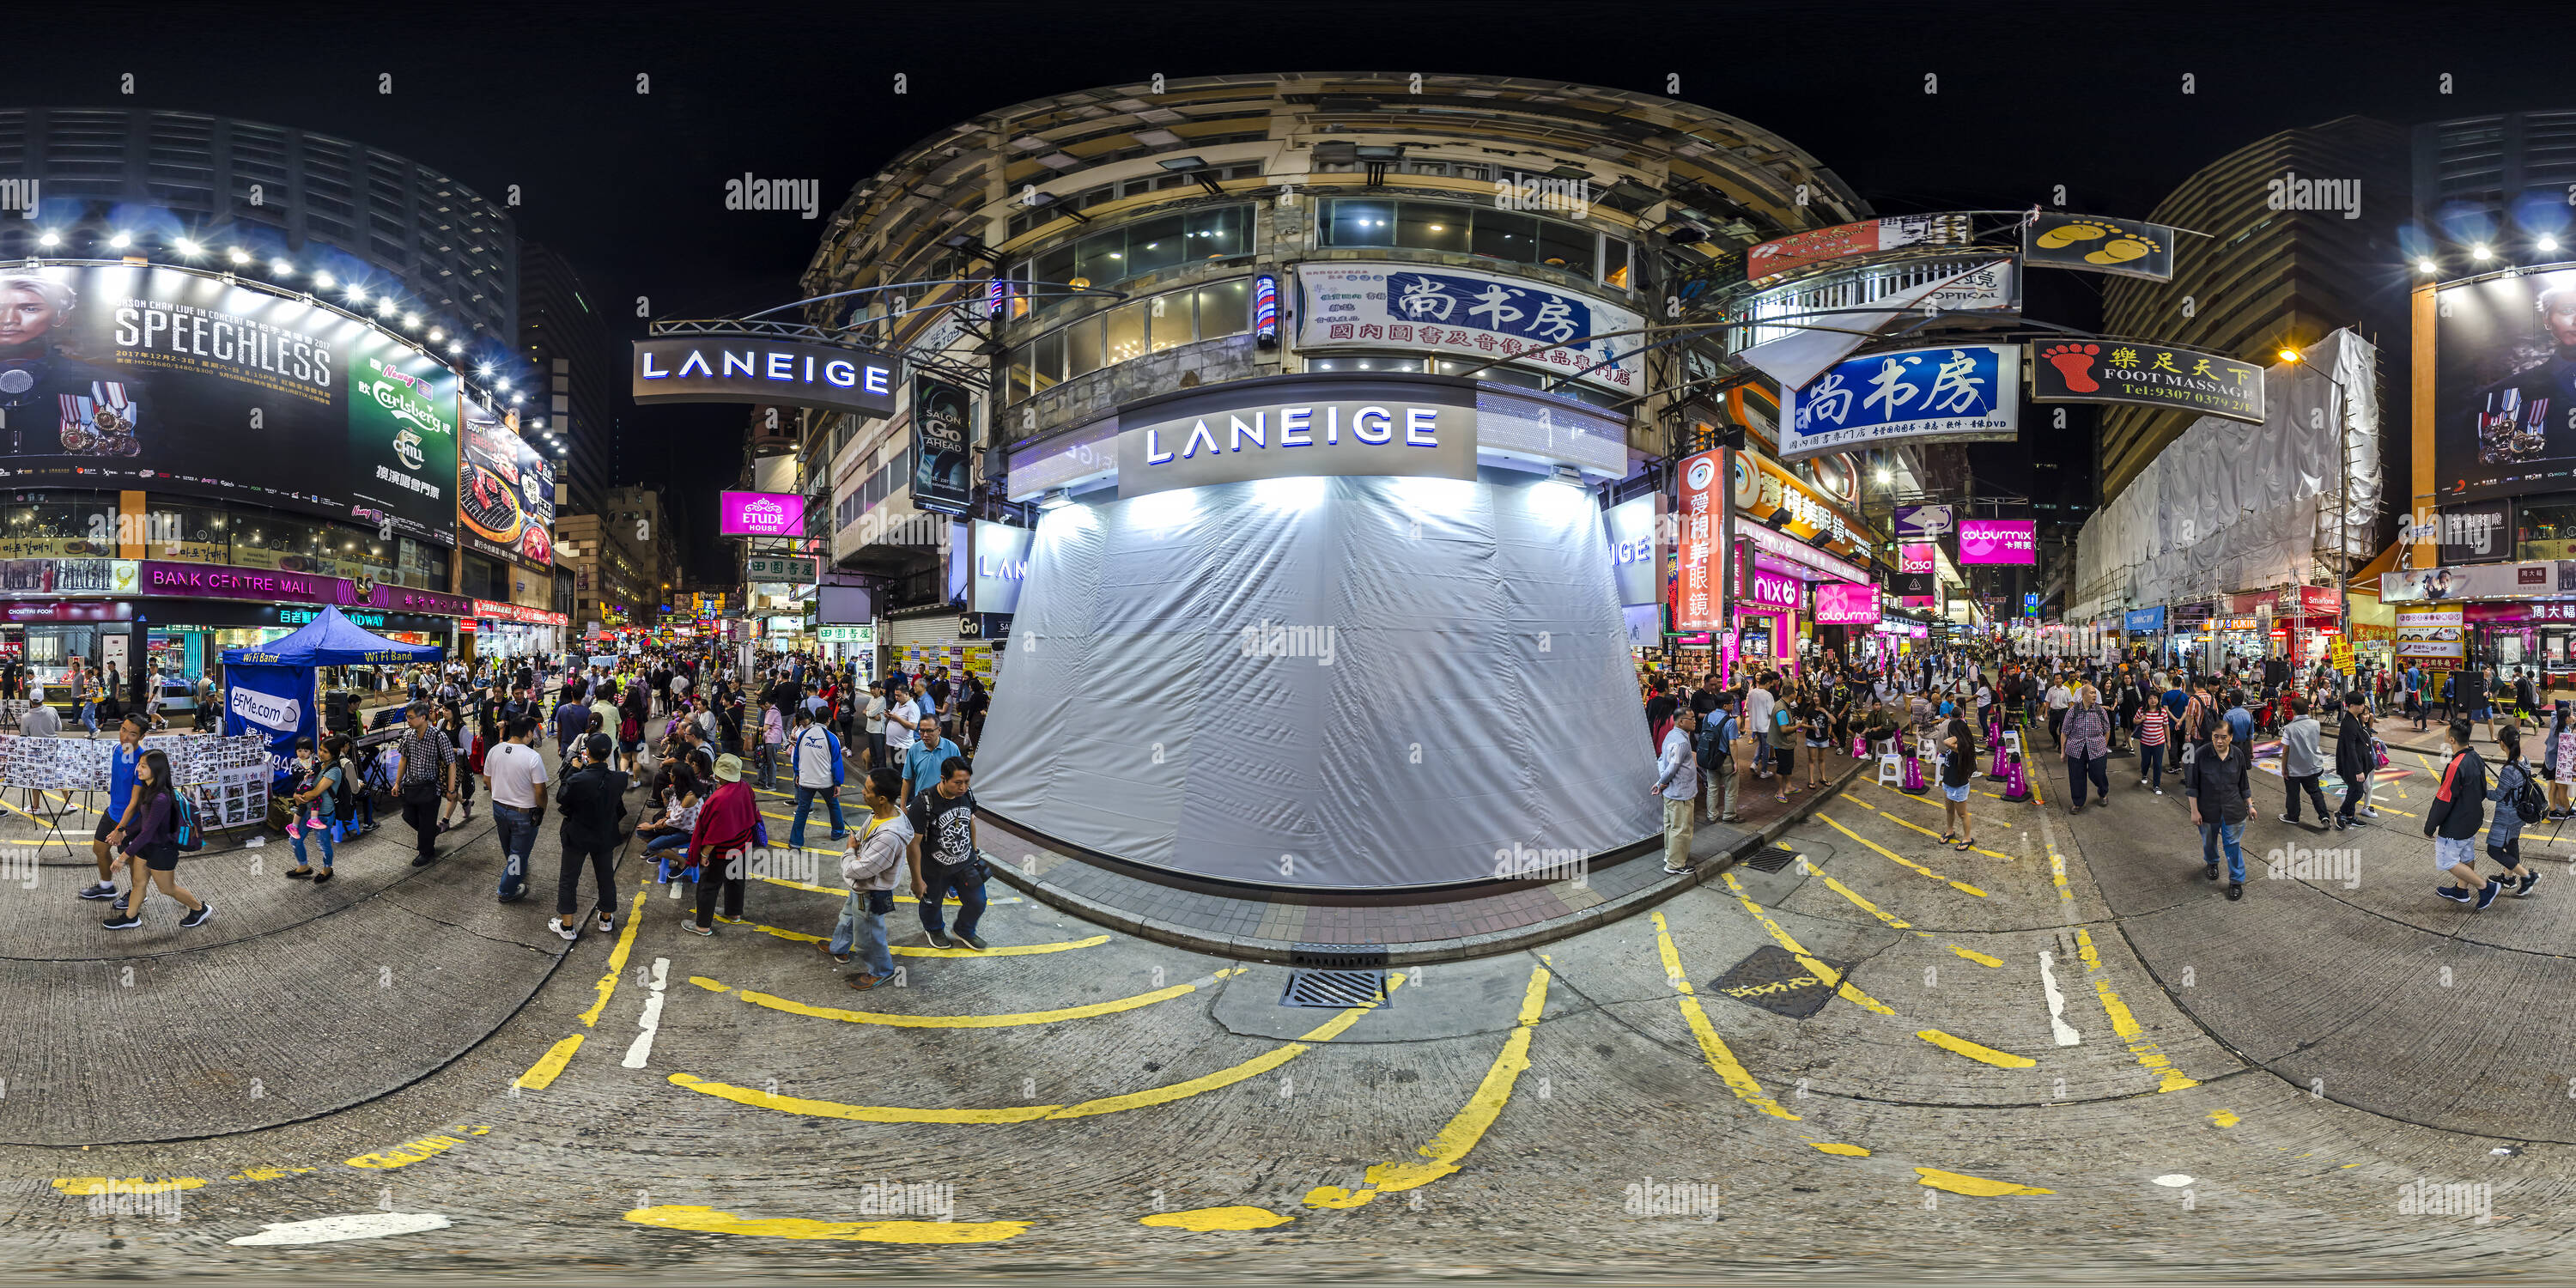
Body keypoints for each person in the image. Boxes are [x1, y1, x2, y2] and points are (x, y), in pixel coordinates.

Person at [818, 766, 909, 990]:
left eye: (867, 790)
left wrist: (849, 852)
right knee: (847, 917)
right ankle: (839, 947)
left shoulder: (890, 836)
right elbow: (861, 837)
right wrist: (856, 845)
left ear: (881, 798)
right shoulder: (879, 813)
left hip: (870, 891)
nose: (862, 792)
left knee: (868, 936)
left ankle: (881, 971)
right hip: (860, 889)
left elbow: (856, 870)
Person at [98, 750, 210, 931]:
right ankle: (130, 917)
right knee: (139, 882)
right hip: (148, 846)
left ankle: (200, 908)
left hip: (162, 849)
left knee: (167, 888)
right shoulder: (150, 790)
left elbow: (147, 832)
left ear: (156, 770)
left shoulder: (160, 798)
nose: (138, 769)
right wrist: (124, 833)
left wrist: (123, 857)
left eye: (144, 766)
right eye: (139, 765)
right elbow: (144, 821)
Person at [549, 732, 631, 941]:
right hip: (604, 835)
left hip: (577, 834)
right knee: (605, 876)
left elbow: (561, 797)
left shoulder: (578, 779)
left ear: (586, 753)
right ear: (609, 753)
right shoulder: (620, 779)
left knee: (569, 878)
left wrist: (573, 770)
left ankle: (567, 927)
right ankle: (606, 918)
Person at [908, 754, 988, 950]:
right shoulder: (922, 804)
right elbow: (913, 845)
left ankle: (964, 930)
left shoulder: (966, 794)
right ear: (943, 779)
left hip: (966, 863)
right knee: (932, 904)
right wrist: (917, 879)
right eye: (957, 782)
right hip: (935, 869)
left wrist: (975, 851)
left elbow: (970, 822)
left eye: (967, 782)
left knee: (978, 901)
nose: (963, 787)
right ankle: (933, 928)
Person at [2426, 719, 2506, 912]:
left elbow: (2444, 800)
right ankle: (2461, 890)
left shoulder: (2455, 765)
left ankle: (2485, 887)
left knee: (2448, 861)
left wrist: (2431, 825)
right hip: (2473, 817)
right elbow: (2482, 788)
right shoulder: (2475, 757)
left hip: (2457, 822)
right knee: (2466, 853)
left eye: (2446, 734)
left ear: (2452, 740)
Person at [681, 753, 760, 936]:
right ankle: (734, 913)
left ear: (722, 776)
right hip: (743, 843)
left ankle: (702, 926)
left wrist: (703, 854)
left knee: (709, 885)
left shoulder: (719, 798)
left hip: (723, 850)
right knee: (736, 879)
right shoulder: (745, 786)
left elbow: (715, 834)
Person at [76, 714, 150, 907]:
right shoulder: (119, 749)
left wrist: (121, 828)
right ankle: (106, 886)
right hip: (112, 811)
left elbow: (134, 802)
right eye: (123, 729)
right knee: (99, 849)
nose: (125, 736)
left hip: (129, 821)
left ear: (141, 736)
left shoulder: (141, 764)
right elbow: (119, 777)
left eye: (132, 734)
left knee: (133, 862)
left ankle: (137, 894)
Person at [2184, 715, 2253, 901]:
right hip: (2207, 809)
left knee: (2232, 845)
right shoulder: (2200, 754)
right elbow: (2192, 785)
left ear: (2231, 737)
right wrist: (2194, 811)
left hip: (2233, 810)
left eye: (2223, 737)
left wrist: (2250, 806)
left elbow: (2243, 784)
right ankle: (2212, 862)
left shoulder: (2237, 754)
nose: (2219, 741)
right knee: (2208, 840)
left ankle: (2236, 881)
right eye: (2216, 736)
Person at [486, 717, 550, 902]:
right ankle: (506, 890)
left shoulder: (494, 751)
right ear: (529, 733)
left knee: (509, 847)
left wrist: (500, 795)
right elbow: (540, 791)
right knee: (517, 856)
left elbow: (487, 780)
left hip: (499, 809)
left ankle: (514, 871)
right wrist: (541, 810)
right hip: (522, 814)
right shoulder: (532, 756)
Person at [394, 702, 460, 867]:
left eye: (411, 717)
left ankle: (426, 852)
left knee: (425, 821)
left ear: (423, 717)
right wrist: (397, 783)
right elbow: (403, 759)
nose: (408, 720)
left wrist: (451, 790)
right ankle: (431, 832)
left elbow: (451, 763)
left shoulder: (439, 736)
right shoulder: (408, 735)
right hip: (411, 786)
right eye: (407, 717)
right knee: (408, 816)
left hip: (431, 788)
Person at [2482, 723, 2544, 899]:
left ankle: (2527, 876)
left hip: (2507, 816)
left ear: (2502, 743)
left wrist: (2482, 791)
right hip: (2519, 814)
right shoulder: (2524, 760)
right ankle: (2508, 878)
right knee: (2511, 844)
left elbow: (2498, 795)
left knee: (2493, 850)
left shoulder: (2508, 770)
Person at [280, 738, 341, 883]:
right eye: (320, 749)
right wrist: (296, 794)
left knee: (323, 844)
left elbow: (314, 793)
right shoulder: (319, 764)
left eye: (325, 751)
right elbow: (302, 784)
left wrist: (299, 795)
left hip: (323, 814)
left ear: (333, 754)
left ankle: (327, 869)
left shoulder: (334, 770)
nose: (321, 753)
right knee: (294, 839)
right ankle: (303, 866)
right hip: (308, 810)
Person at [787, 708, 849, 848]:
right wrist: (838, 783)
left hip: (806, 780)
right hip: (826, 782)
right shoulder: (832, 738)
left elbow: (797, 756)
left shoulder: (804, 734)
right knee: (833, 806)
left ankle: (795, 842)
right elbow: (836, 763)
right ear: (829, 720)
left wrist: (797, 773)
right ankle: (837, 832)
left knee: (802, 810)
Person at [1654, 705, 1699, 877]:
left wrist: (1662, 782)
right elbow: (1672, 767)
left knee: (1671, 826)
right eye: (1692, 719)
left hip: (1672, 791)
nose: (1695, 721)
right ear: (1681, 722)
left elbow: (1661, 761)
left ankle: (1671, 856)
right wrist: (1661, 782)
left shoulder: (1671, 735)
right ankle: (1675, 864)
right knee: (1681, 828)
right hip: (1681, 793)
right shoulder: (1681, 741)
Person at [2276, 696, 2330, 829]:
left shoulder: (2289, 728)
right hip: (2313, 766)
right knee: (2315, 792)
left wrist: (2284, 768)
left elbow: (2285, 752)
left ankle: (2293, 817)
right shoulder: (2316, 724)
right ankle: (2324, 816)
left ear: (2293, 711)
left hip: (2294, 769)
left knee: (2293, 794)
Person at [2060, 685, 2111, 811]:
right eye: (2092, 693)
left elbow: (2107, 730)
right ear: (2083, 695)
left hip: (2097, 749)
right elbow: (2064, 732)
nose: (2094, 695)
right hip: (2076, 749)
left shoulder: (2100, 711)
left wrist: (2103, 746)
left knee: (2098, 774)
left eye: (2095, 693)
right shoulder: (2073, 711)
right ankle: (2078, 802)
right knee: (2076, 777)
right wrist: (2062, 751)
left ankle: (2103, 792)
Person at [1696, 698, 1741, 826]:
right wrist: (1736, 762)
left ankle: (1711, 815)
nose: (1733, 705)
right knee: (1730, 789)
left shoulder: (1708, 717)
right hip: (1725, 759)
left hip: (1710, 758)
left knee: (1712, 788)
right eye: (1731, 703)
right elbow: (1732, 743)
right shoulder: (1730, 721)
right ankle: (1729, 815)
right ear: (1725, 705)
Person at [903, 716, 967, 805]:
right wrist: (903, 806)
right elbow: (907, 779)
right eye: (922, 731)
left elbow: (961, 778)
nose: (925, 735)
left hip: (946, 802)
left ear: (939, 731)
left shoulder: (952, 748)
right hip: (922, 802)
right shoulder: (914, 749)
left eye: (929, 731)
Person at [1938, 712, 1977, 852]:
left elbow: (1947, 742)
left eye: (1951, 732)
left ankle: (1967, 838)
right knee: (1949, 810)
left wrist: (1957, 733)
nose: (1949, 735)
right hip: (1948, 782)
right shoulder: (1958, 743)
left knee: (1962, 813)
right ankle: (1950, 831)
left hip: (1958, 785)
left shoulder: (1962, 747)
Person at [2135, 694, 2172, 794]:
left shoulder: (2163, 712)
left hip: (2159, 742)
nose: (2153, 700)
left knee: (2158, 764)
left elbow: (2166, 727)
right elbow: (2135, 720)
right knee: (2145, 762)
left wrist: (2169, 741)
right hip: (2145, 742)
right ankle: (2144, 774)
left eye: (2155, 698)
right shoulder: (2142, 710)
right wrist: (2141, 719)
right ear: (2147, 700)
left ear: (2158, 700)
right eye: (2150, 698)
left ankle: (2156, 785)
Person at [757, 702, 786, 789]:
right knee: (768, 762)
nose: (762, 710)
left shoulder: (772, 712)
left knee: (771, 763)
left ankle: (771, 785)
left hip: (772, 740)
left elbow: (765, 728)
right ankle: (766, 782)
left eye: (762, 707)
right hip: (771, 740)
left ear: (766, 703)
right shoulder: (772, 711)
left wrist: (752, 727)